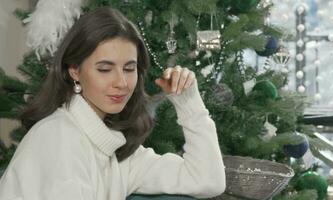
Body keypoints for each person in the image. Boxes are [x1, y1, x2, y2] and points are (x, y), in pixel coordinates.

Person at [0, 7, 226, 200]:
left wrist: (187, 101)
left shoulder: (112, 147)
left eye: (129, 69)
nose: (121, 82)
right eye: (105, 69)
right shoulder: (59, 137)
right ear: (75, 71)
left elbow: (207, 180)